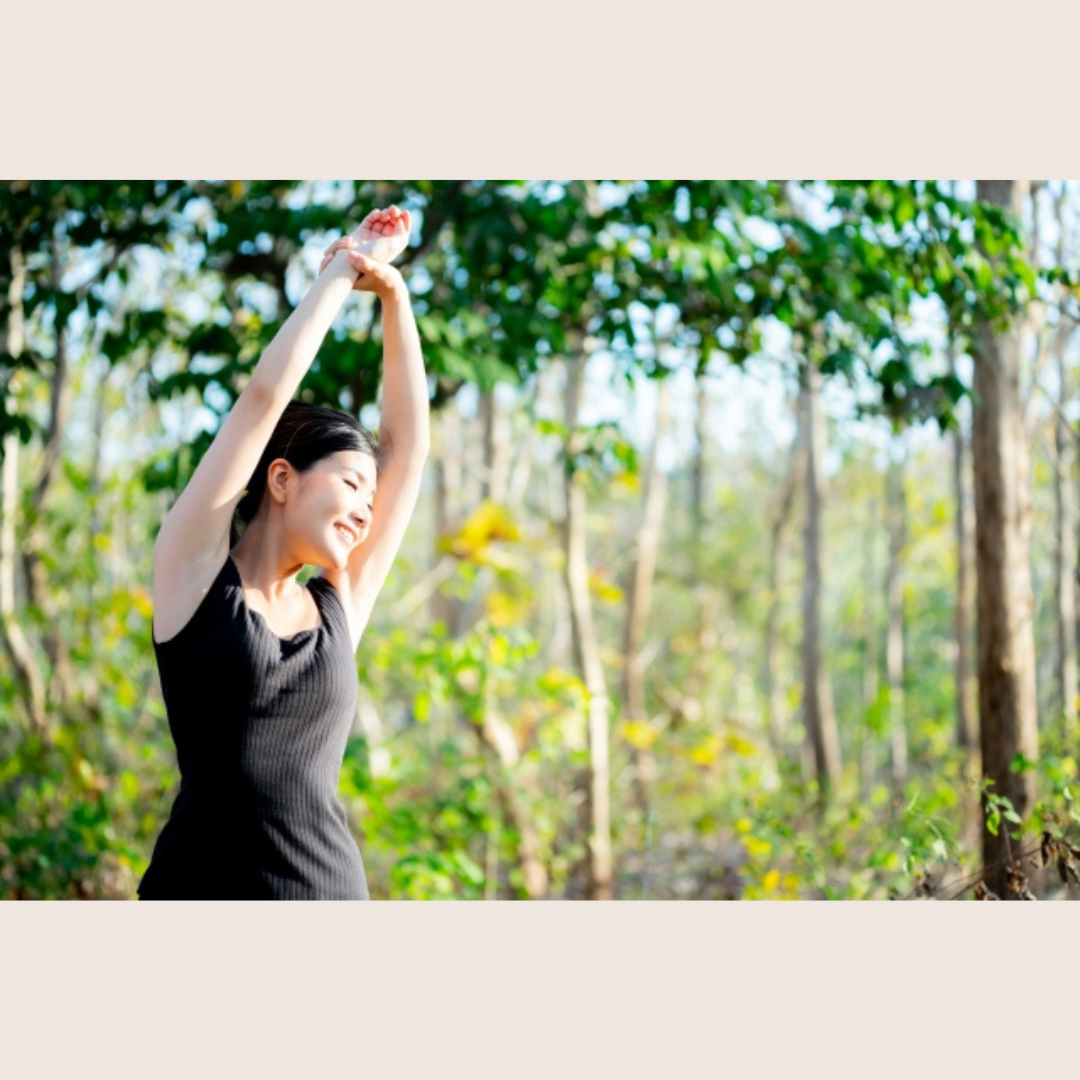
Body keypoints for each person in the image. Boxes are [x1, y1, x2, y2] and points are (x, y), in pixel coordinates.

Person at [137, 206, 428, 899]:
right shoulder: (193, 575)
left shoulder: (337, 607)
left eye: (370, 496)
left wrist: (394, 294)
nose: (366, 509)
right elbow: (263, 401)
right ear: (281, 478)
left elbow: (408, 449)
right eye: (351, 484)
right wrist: (342, 270)